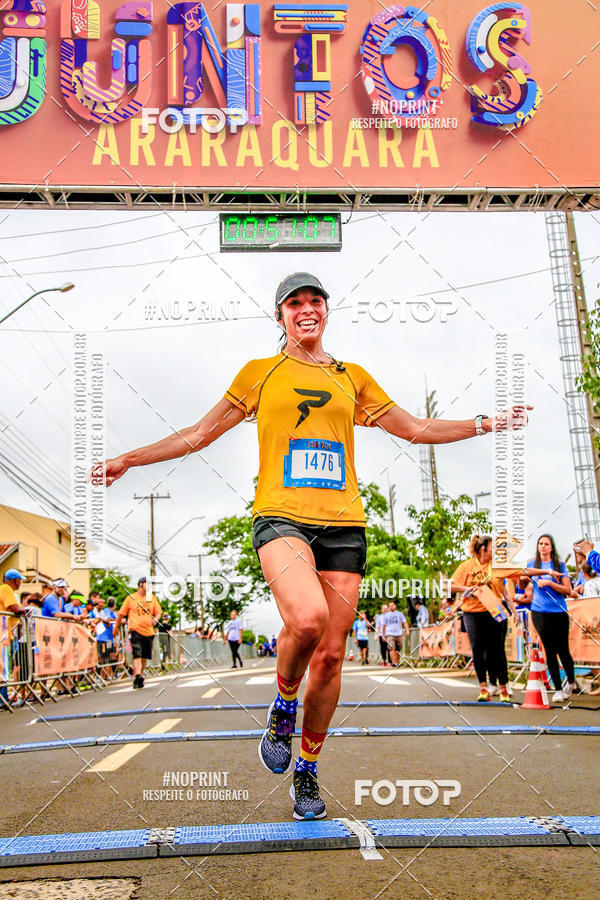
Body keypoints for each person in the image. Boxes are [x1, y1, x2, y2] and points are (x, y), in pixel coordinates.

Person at [90, 271, 532, 820]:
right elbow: (197, 434)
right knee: (306, 620)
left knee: (330, 655)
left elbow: (414, 427)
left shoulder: (353, 378)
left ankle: (307, 770)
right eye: (293, 302)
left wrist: (484, 423)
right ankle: (281, 705)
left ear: (326, 312)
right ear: (279, 317)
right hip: (280, 519)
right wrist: (128, 459)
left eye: (315, 301)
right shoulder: (259, 374)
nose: (306, 309)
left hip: (345, 525)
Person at [451, 535, 551, 703]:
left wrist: (546, 571)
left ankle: (503, 687)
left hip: (494, 611)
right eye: (493, 547)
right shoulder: (466, 567)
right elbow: (450, 585)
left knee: (497, 650)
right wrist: (467, 588)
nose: (496, 551)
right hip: (472, 613)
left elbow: (523, 571)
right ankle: (484, 687)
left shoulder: (497, 567)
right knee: (477, 649)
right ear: (483, 548)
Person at [528, 534, 577, 702]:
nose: (543, 546)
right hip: (539, 611)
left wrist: (550, 583)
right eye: (540, 543)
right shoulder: (532, 565)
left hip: (558, 611)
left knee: (562, 649)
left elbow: (568, 590)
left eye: (546, 544)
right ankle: (557, 688)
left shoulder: (560, 565)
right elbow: (523, 576)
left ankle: (570, 682)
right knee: (549, 649)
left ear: (551, 547)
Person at [113, 577, 161, 689]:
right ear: (141, 585)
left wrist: (155, 620)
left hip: (149, 632)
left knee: (144, 656)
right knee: (137, 654)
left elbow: (158, 612)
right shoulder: (131, 598)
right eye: (147, 584)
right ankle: (137, 676)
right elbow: (121, 614)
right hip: (135, 631)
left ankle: (139, 675)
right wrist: (116, 626)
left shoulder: (151, 598)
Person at [382, 600, 410, 666]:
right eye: (390, 606)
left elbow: (405, 622)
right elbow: (384, 626)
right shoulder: (386, 615)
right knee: (392, 648)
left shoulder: (400, 614)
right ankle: (394, 662)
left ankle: (397, 662)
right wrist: (383, 635)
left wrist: (407, 630)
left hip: (399, 634)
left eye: (392, 605)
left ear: (395, 606)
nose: (391, 607)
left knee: (398, 649)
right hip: (390, 634)